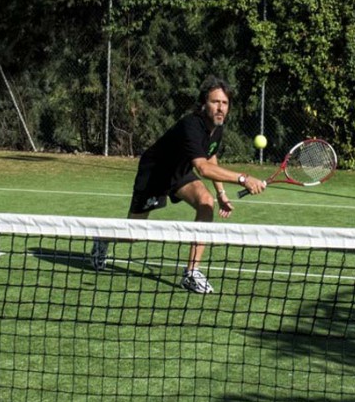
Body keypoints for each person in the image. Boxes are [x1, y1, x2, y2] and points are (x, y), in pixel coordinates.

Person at [90, 76, 266, 293]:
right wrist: (243, 179)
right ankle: (103, 237)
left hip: (180, 173)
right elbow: (202, 168)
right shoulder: (191, 125)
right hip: (154, 175)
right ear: (204, 104)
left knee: (206, 202)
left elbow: (210, 157)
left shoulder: (217, 127)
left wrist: (220, 193)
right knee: (133, 234)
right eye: (215, 102)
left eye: (225, 103)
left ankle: (191, 273)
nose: (220, 108)